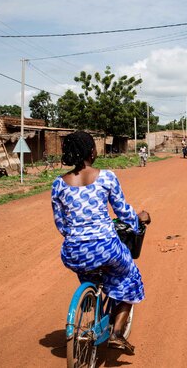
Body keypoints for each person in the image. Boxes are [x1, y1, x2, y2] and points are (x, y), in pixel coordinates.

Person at [51, 131, 149, 354]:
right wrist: (139, 220)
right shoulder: (106, 177)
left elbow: (61, 225)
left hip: (73, 251)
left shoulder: (58, 184)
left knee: (91, 275)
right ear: (91, 151)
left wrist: (78, 236)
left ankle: (90, 303)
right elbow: (122, 212)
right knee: (130, 277)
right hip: (105, 248)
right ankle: (116, 334)